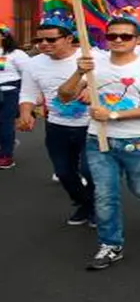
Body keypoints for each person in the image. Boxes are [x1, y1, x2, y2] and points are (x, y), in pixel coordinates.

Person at [59, 17, 140, 271]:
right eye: (113, 36)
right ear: (106, 39)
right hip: (98, 139)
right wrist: (79, 72)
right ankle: (111, 245)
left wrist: (113, 115)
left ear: (138, 39)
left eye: (126, 36)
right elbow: (64, 96)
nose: (119, 40)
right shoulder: (94, 65)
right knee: (104, 194)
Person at [17, 18, 96, 225]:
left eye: (51, 40)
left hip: (92, 125)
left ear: (69, 38)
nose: (44, 44)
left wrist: (90, 88)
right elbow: (28, 93)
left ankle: (95, 207)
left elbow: (111, 80)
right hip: (57, 125)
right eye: (39, 40)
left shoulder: (89, 57)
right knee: (63, 172)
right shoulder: (33, 63)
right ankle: (85, 203)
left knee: (90, 170)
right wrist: (25, 113)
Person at [0, 24, 30, 169]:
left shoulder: (16, 54)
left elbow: (29, 73)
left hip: (9, 92)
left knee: (5, 124)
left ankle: (6, 155)